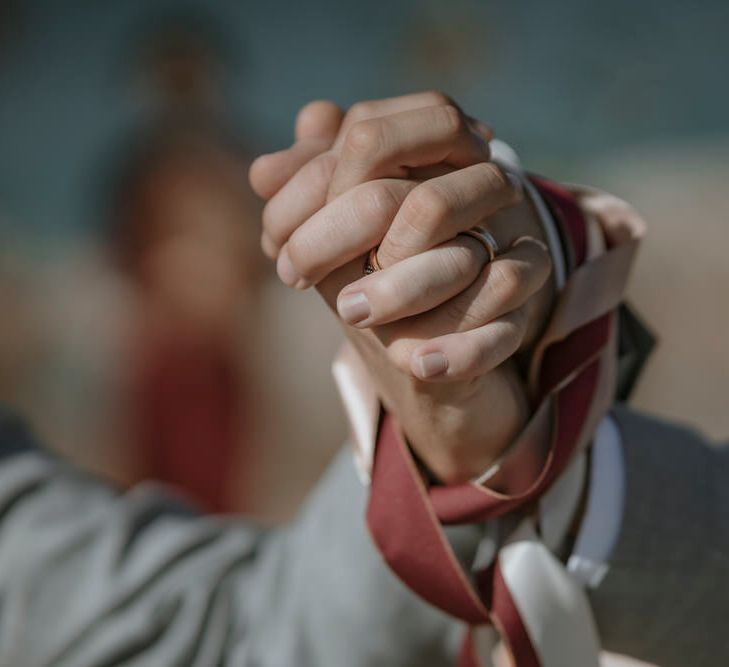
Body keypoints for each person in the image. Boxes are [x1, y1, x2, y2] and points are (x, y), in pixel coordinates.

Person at [0, 92, 725, 667]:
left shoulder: (297, 376)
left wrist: (467, 431)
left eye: (225, 226)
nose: (213, 263)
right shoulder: (130, 384)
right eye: (184, 234)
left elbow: (238, 626)